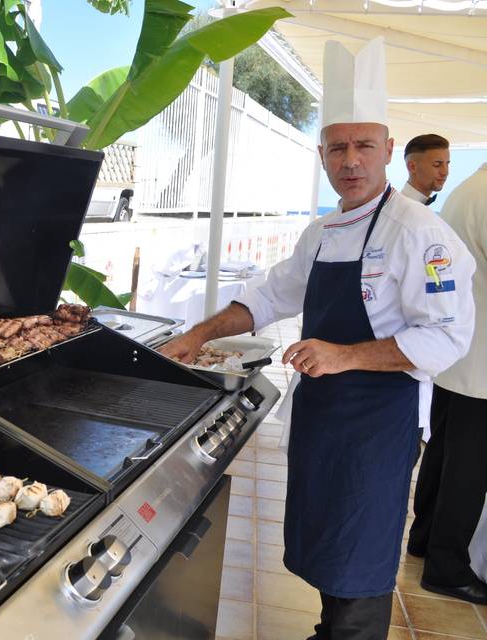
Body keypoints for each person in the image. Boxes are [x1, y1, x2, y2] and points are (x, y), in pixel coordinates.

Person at [159, 38, 475, 640]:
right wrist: (198, 334)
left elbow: (447, 334)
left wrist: (344, 355)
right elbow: (269, 294)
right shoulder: (323, 231)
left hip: (380, 422)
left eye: (363, 146)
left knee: (362, 553)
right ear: (323, 155)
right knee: (329, 539)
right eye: (337, 148)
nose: (350, 160)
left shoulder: (420, 233)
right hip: (323, 415)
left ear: (387, 150)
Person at [407, 163, 487, 604]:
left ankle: (423, 539)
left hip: (456, 358)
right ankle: (448, 567)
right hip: (479, 361)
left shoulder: (466, 189)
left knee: (443, 454)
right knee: (469, 470)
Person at [401, 134, 450, 205]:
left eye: (447, 164)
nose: (445, 172)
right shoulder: (401, 210)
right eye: (437, 164)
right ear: (412, 167)